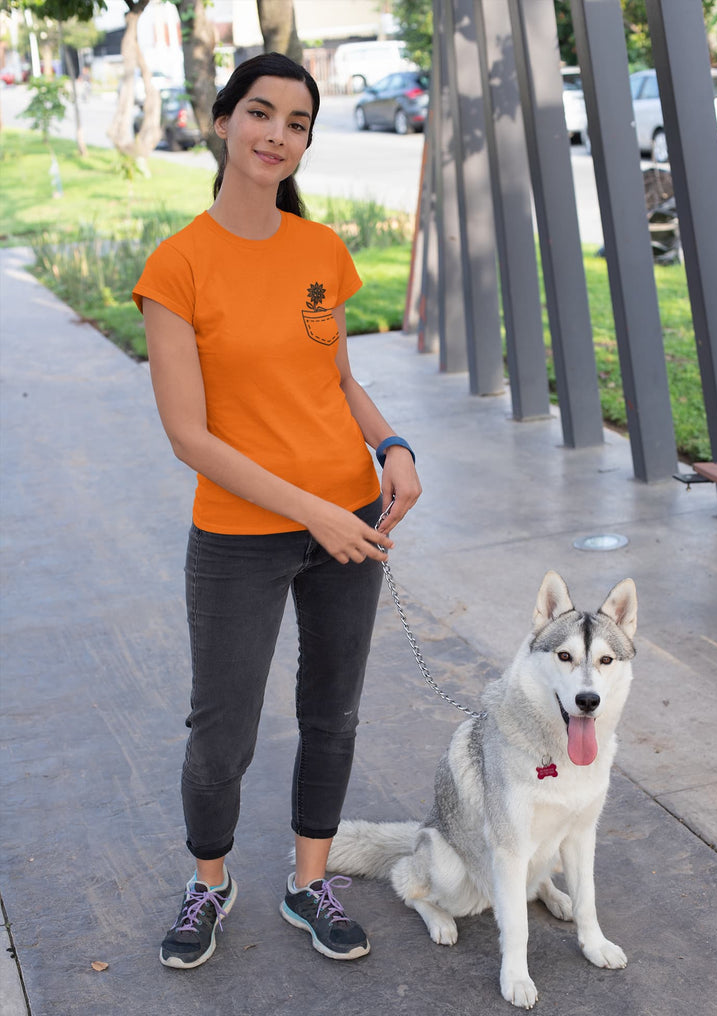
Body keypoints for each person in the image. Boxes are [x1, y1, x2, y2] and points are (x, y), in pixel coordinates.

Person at [132, 53, 421, 970]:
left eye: (296, 123)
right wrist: (314, 512)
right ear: (222, 120)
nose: (276, 136)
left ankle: (310, 878)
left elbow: (337, 380)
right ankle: (210, 882)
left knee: (333, 714)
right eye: (260, 113)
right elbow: (191, 435)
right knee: (223, 727)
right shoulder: (177, 266)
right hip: (240, 534)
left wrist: (394, 446)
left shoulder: (320, 251)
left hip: (349, 513)